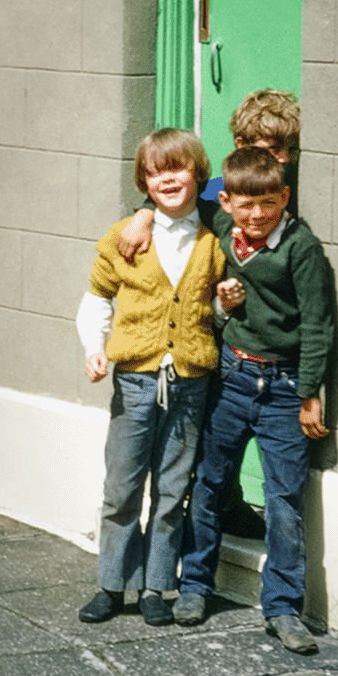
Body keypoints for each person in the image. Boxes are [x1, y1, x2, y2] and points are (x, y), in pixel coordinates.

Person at [174, 144, 338, 651]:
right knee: (208, 481)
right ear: (226, 202)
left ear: (284, 197)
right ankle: (195, 585)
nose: (258, 215)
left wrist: (311, 393)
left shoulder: (301, 249)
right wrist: (138, 218)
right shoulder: (225, 229)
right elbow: (176, 201)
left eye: (268, 203)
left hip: (284, 387)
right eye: (245, 205)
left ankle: (284, 607)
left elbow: (317, 325)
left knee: (284, 499)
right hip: (232, 377)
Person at [119, 89, 302, 535]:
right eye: (263, 150)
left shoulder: (286, 193)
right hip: (216, 326)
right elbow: (177, 197)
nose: (276, 160)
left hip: (270, 338)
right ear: (239, 147)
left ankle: (231, 506)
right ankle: (221, 506)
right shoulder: (223, 193)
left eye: (284, 150)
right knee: (212, 431)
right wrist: (144, 213)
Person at [73, 129, 227, 628]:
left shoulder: (212, 240)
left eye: (178, 169)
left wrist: (227, 302)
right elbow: (97, 298)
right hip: (136, 382)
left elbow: (213, 312)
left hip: (189, 385)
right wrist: (95, 350)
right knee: (122, 486)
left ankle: (156, 585)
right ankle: (112, 584)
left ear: (198, 175)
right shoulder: (127, 237)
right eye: (156, 173)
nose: (168, 180)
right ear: (144, 181)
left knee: (170, 489)